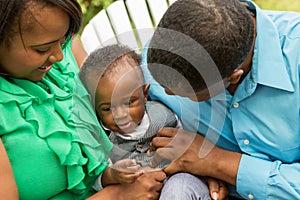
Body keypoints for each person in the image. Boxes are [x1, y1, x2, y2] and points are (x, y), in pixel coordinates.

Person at [0, 0, 166, 199]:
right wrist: (117, 196)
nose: (60, 56)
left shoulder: (60, 48)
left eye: (64, 40)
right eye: (42, 49)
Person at [141, 0, 300, 199]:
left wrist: (218, 163)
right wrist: (192, 167)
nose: (166, 92)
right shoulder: (163, 59)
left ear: (233, 78)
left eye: (184, 94)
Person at [79, 44, 229, 200]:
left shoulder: (163, 115)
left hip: (179, 177)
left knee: (177, 192)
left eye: (129, 102)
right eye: (107, 108)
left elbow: (188, 146)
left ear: (145, 93)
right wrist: (112, 175)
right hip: (137, 192)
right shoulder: (103, 140)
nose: (120, 115)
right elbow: (95, 181)